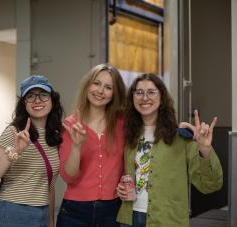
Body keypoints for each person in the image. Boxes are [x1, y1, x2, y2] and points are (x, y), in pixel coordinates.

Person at [116, 73, 223, 227]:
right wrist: (120, 188)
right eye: (139, 92)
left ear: (162, 98)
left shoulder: (181, 136)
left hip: (167, 220)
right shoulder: (128, 136)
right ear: (132, 98)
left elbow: (210, 185)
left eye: (151, 92)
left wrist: (205, 149)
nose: (144, 97)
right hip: (129, 219)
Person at [0, 75, 64, 227]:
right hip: (13, 213)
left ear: (52, 99)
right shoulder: (13, 132)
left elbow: (49, 187)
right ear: (24, 103)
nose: (37, 101)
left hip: (43, 213)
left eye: (43, 95)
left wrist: (50, 222)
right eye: (30, 96)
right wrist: (14, 152)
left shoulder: (54, 137)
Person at [56, 63, 127, 227]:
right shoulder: (70, 124)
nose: (100, 91)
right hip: (74, 212)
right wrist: (76, 146)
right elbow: (69, 177)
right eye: (96, 83)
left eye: (108, 87)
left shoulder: (123, 123)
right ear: (88, 85)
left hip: (112, 211)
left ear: (114, 93)